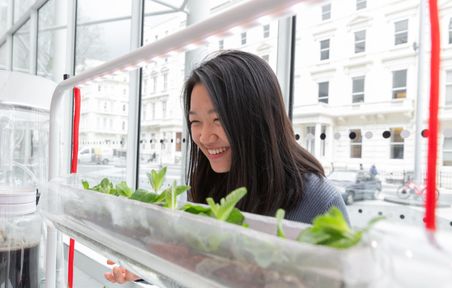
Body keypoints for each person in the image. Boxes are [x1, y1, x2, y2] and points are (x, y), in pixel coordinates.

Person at [105, 50, 349, 284]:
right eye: (195, 121)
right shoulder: (209, 186)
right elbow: (201, 272)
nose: (204, 136)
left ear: (258, 118)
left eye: (218, 120)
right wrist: (151, 266)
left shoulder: (319, 202)